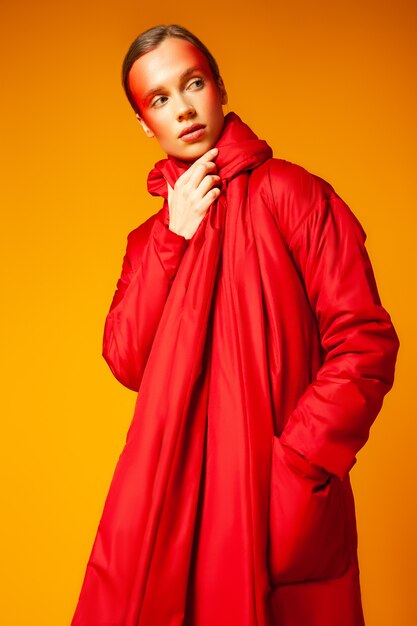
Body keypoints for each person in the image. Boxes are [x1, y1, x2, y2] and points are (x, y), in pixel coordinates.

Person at [71, 24, 400, 626]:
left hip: (272, 498)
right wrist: (174, 237)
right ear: (145, 123)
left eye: (193, 83)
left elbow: (364, 341)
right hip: (174, 509)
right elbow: (126, 361)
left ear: (219, 87)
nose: (185, 108)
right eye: (161, 98)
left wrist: (298, 461)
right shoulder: (148, 242)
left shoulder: (296, 195)